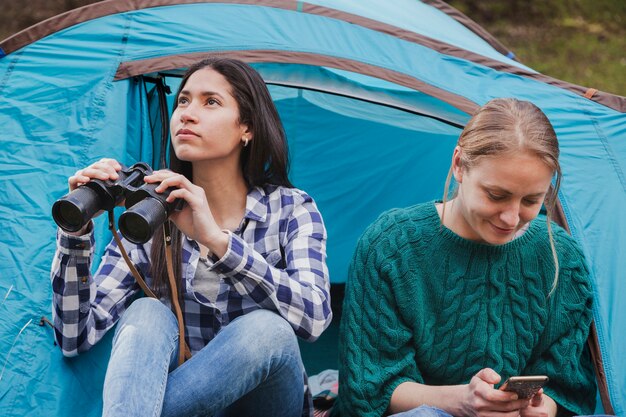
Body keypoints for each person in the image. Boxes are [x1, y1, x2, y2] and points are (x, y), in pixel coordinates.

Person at [50, 56, 332, 417]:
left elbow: (315, 318)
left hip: (268, 406)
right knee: (147, 312)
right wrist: (75, 233)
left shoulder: (291, 209)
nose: (187, 113)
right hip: (188, 404)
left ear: (247, 127)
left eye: (210, 102)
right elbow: (74, 336)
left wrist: (217, 241)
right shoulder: (152, 213)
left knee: (266, 329)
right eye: (183, 100)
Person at [332, 98, 597, 417]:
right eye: (496, 195)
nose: (511, 218)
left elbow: (569, 387)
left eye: (531, 200)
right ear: (459, 165)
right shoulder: (391, 246)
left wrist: (545, 408)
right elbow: (370, 388)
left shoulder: (562, 259)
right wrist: (462, 402)